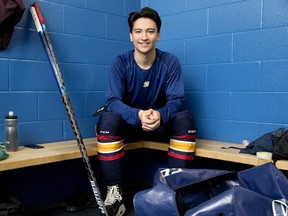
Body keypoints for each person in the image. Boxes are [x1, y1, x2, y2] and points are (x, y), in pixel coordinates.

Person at [96, 7, 196, 216]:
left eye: (150, 31)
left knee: (185, 118)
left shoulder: (170, 62)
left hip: (160, 125)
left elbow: (177, 100)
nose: (144, 37)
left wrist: (159, 115)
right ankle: (115, 193)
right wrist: (138, 115)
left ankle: (176, 190)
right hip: (130, 126)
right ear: (131, 35)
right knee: (107, 120)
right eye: (139, 31)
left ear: (158, 35)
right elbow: (113, 100)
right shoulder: (120, 62)